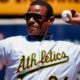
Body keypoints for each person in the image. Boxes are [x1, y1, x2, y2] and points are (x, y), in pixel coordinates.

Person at [0, 0, 80, 80]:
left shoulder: (72, 51)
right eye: (28, 16)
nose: (31, 20)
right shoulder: (12, 44)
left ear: (50, 20)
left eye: (37, 17)